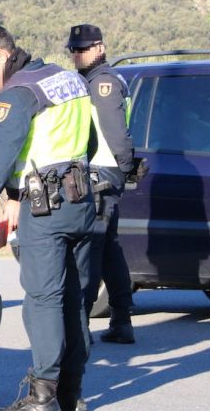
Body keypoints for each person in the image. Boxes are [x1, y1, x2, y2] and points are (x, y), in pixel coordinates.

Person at [0, 25, 95, 411]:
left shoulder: (18, 93)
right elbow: (89, 143)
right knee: (73, 300)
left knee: (42, 300)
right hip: (82, 201)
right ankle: (71, 392)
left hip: (47, 208)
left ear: (1, 56)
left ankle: (42, 397)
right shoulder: (67, 79)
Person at [66, 24, 143, 346]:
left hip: (101, 174)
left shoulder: (103, 84)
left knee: (91, 251)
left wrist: (124, 169)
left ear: (99, 47)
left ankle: (82, 326)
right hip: (104, 174)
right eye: (73, 49)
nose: (76, 55)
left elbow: (116, 135)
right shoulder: (93, 81)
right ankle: (122, 320)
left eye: (82, 49)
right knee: (108, 249)